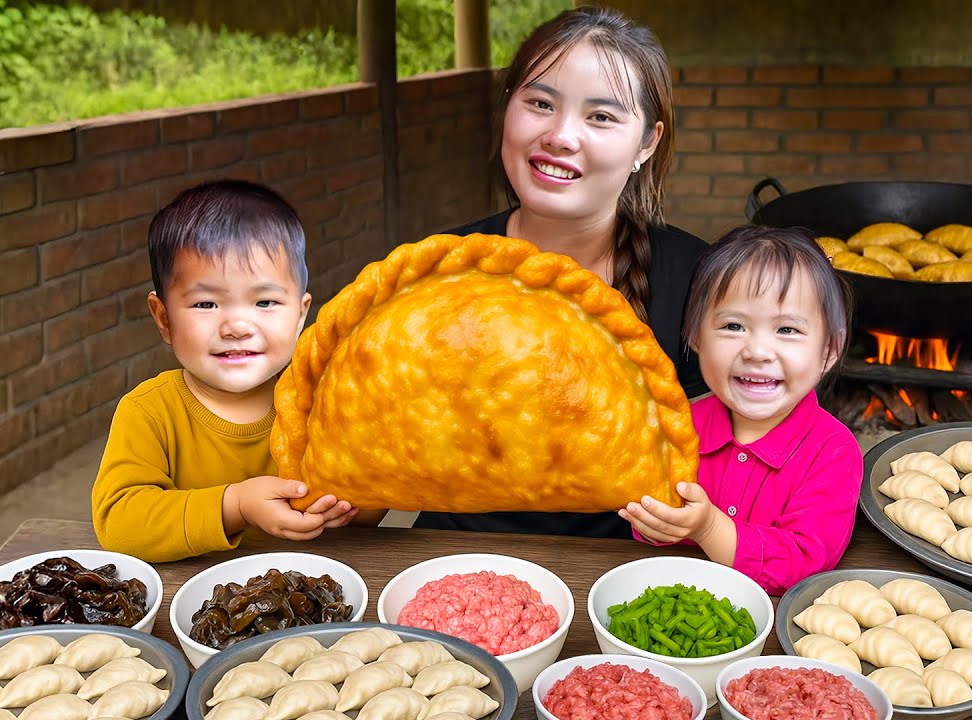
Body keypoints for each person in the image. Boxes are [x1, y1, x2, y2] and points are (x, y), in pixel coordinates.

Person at [413, 6, 708, 538]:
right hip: (449, 572)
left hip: (625, 593)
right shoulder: (436, 272)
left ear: (647, 142)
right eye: (540, 103)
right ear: (508, 108)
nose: (560, 135)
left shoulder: (698, 281)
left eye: (600, 116)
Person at [91, 180, 357, 562]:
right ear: (163, 318)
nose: (237, 326)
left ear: (301, 314)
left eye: (264, 302)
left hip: (319, 596)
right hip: (192, 609)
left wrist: (345, 507)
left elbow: (369, 504)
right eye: (206, 305)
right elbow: (118, 523)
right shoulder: (150, 412)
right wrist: (234, 505)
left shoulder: (325, 400)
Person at [619, 226, 864, 595]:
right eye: (733, 326)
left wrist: (708, 528)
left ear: (829, 349)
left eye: (787, 330)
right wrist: (655, 521)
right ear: (696, 337)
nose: (757, 351)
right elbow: (650, 526)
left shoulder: (833, 452)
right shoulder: (679, 427)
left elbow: (805, 561)